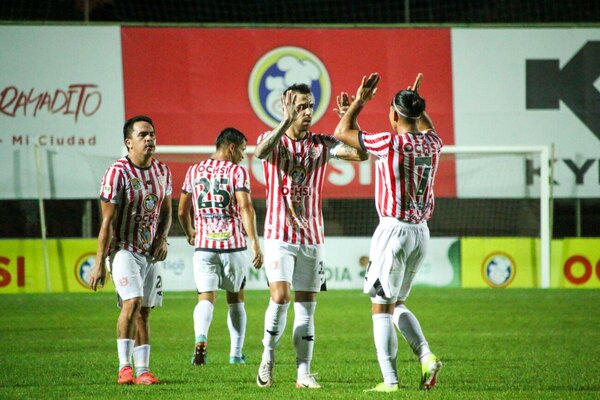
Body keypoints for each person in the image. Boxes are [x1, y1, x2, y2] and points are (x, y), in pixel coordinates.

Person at [254, 83, 368, 389]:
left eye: (310, 106)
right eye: (301, 107)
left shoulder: (322, 143)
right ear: (287, 107)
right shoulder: (274, 140)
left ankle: (303, 373)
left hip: (312, 238)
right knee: (280, 297)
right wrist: (284, 121)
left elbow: (361, 155)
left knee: (306, 306)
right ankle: (268, 356)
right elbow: (259, 153)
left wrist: (351, 118)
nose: (307, 113)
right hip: (279, 235)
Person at [334, 73, 443, 392]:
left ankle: (390, 381)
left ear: (394, 114)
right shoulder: (433, 144)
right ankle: (425, 356)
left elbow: (343, 133)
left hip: (393, 231)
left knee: (381, 306)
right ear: (418, 113)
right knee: (396, 303)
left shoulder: (390, 142)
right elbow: (427, 127)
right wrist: (416, 102)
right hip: (421, 233)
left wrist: (357, 102)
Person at [89, 115, 172, 385]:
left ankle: (143, 370)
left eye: (152, 134)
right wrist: (100, 263)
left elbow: (166, 213)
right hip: (123, 249)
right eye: (142, 135)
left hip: (150, 252)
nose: (149, 139)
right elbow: (107, 222)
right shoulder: (117, 173)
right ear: (128, 142)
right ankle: (124, 367)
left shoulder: (163, 171)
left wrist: (163, 239)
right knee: (133, 302)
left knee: (145, 311)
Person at [178, 127, 263, 366]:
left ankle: (201, 338)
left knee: (205, 297)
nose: (243, 156)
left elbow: (182, 210)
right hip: (232, 246)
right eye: (243, 151)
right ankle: (235, 354)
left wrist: (189, 232)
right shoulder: (236, 171)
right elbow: (245, 208)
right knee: (236, 299)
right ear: (232, 148)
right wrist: (255, 243)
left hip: (204, 247)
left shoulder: (193, 170)